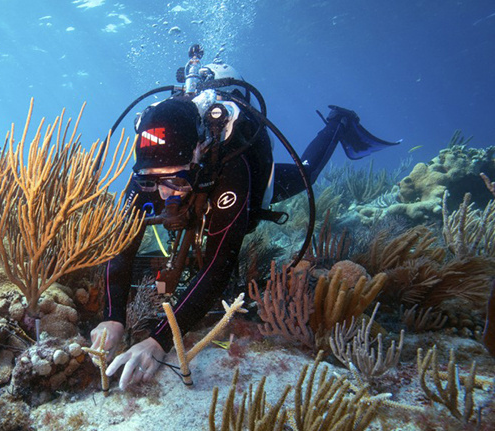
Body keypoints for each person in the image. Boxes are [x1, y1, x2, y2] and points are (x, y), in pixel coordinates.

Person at [89, 58, 399, 390]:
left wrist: (159, 340)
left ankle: (338, 123)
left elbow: (218, 266)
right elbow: (120, 248)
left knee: (305, 174)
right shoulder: (147, 175)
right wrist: (113, 317)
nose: (164, 193)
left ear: (200, 150)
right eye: (152, 182)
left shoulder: (230, 168)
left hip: (243, 188)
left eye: (176, 179)